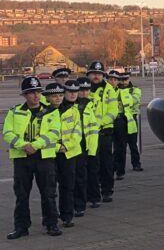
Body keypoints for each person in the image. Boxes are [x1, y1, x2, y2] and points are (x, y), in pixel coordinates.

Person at [4, 77, 62, 238]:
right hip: (22, 158)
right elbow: (8, 133)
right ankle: (21, 226)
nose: (35, 96)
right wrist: (23, 145)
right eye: (31, 93)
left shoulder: (51, 112)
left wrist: (35, 145)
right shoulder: (14, 112)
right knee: (21, 195)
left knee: (48, 193)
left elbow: (54, 132)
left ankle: (51, 224)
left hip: (44, 157)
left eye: (37, 92)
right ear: (24, 95)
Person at [44, 83, 81, 229]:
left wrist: (67, 146)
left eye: (60, 95)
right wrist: (57, 147)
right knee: (49, 189)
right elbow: (43, 135)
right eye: (55, 96)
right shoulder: (43, 113)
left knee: (68, 186)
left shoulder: (72, 111)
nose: (58, 98)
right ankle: (49, 217)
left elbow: (77, 132)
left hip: (68, 153)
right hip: (50, 154)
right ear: (48, 97)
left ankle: (67, 216)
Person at [87, 62, 119, 203]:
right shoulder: (84, 89)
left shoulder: (109, 90)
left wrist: (98, 124)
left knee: (107, 163)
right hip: (88, 133)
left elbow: (113, 111)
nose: (96, 76)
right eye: (93, 73)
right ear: (88, 75)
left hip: (104, 131)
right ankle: (93, 193)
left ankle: (107, 191)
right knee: (91, 164)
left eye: (99, 74)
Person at [73, 78, 100, 214]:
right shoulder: (72, 105)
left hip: (91, 143)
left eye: (87, 90)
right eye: (81, 90)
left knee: (93, 172)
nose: (84, 93)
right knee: (80, 176)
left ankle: (94, 197)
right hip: (77, 145)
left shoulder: (94, 102)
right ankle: (80, 203)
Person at [114, 71, 143, 175]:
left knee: (133, 143)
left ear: (129, 79)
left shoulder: (135, 90)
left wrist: (122, 94)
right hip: (120, 119)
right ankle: (118, 167)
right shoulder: (115, 90)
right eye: (121, 80)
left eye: (125, 80)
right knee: (119, 146)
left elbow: (133, 100)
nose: (123, 82)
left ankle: (136, 163)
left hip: (131, 119)